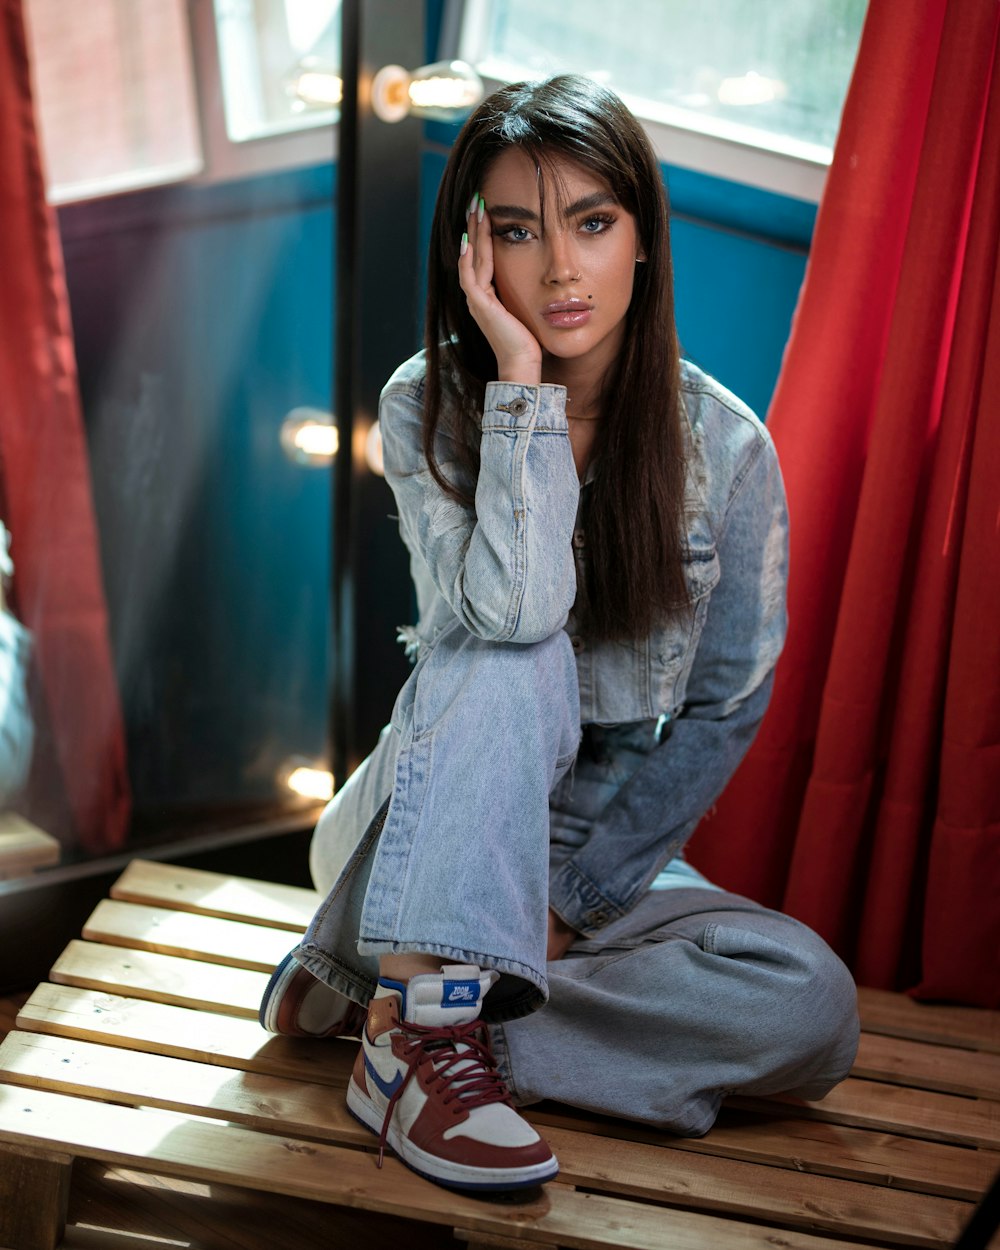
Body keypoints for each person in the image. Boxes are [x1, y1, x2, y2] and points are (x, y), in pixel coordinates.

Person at [260, 74, 859, 1195]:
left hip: (592, 856)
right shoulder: (425, 402)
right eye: (520, 232)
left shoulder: (725, 450)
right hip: (421, 818)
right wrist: (521, 387)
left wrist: (571, 900)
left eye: (592, 222)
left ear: (642, 237)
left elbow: (729, 699)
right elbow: (515, 611)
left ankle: (405, 1004)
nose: (560, 269)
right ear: (475, 254)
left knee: (809, 1002)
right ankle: (424, 1003)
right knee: (519, 643)